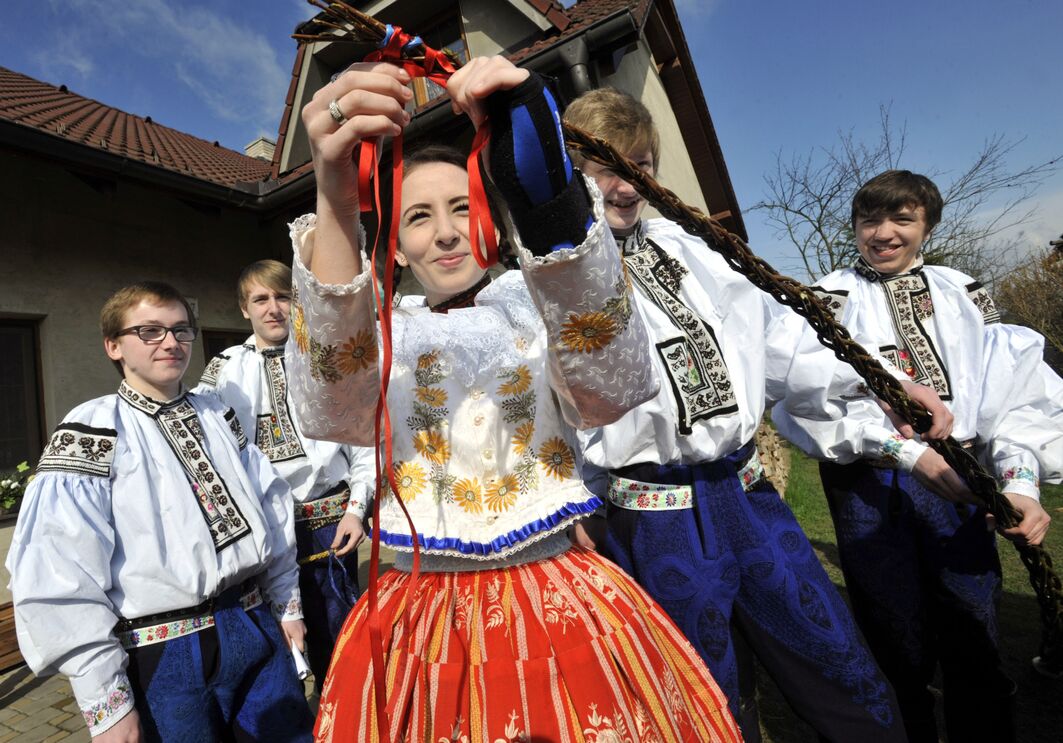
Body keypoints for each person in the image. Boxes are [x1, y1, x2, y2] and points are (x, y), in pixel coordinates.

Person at [287, 56, 741, 741]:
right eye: (417, 216)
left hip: (560, 587)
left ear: (493, 221)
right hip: (420, 611)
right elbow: (333, 404)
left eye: (462, 207)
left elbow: (612, 380)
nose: (443, 231)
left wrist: (546, 193)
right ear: (398, 248)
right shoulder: (384, 330)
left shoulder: (537, 302)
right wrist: (333, 192)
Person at [562, 87, 934, 742]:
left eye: (642, 165)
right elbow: (537, 416)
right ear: (571, 173)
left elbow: (780, 347)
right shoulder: (545, 280)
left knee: (838, 663)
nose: (628, 186)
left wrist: (883, 385)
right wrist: (568, 504)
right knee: (705, 700)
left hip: (747, 495)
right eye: (607, 169)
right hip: (653, 521)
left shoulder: (697, 250)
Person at [773, 170, 1059, 742]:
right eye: (869, 220)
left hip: (963, 476)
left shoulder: (963, 291)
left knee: (973, 618)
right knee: (892, 633)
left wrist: (1019, 482)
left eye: (901, 219)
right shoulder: (827, 299)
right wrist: (904, 452)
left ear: (927, 224)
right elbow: (799, 397)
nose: (882, 233)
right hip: (869, 484)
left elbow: (1016, 390)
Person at [6, 282, 313, 742]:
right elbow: (60, 573)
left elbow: (271, 512)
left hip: (252, 622)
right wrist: (106, 704)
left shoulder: (218, 414)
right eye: (149, 331)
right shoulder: (89, 432)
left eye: (180, 330)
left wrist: (287, 606)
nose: (170, 343)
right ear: (114, 346)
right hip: (165, 651)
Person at [196, 259, 373, 691]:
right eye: (261, 299)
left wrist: (356, 510)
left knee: (340, 634)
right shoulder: (221, 371)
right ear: (244, 309)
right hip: (265, 534)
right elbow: (206, 453)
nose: (272, 308)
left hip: (330, 526)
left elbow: (364, 443)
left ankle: (348, 719)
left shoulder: (326, 357)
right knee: (280, 645)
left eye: (282, 296)